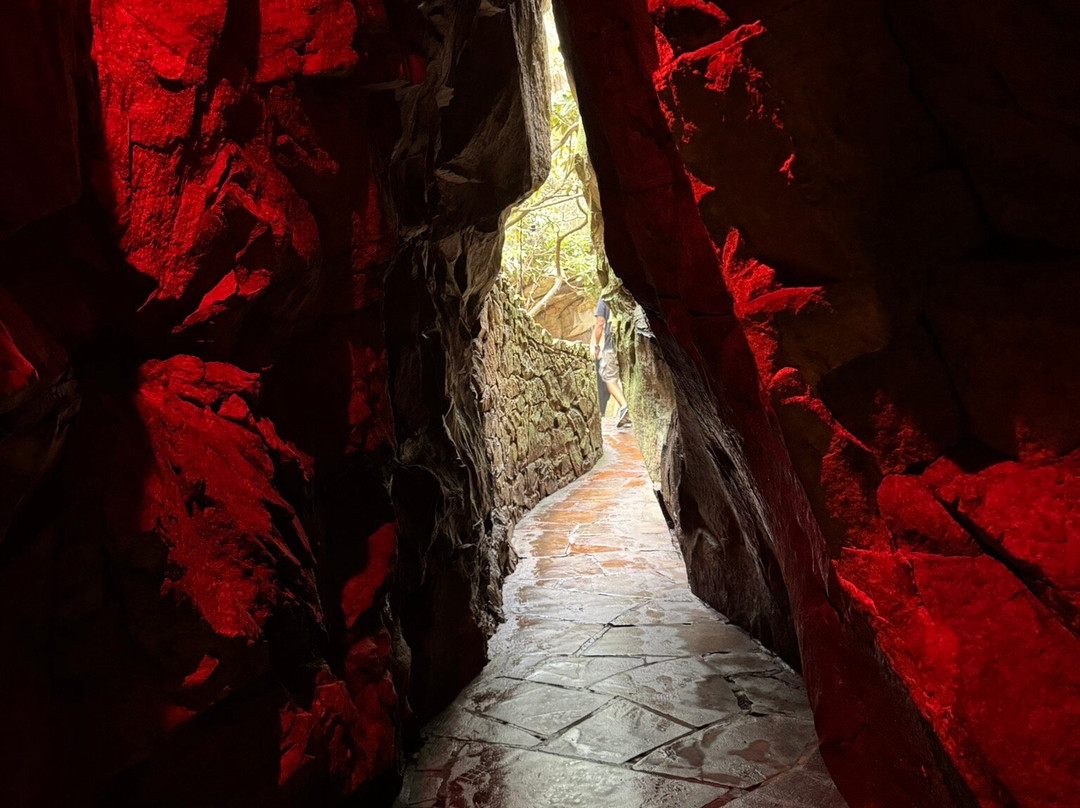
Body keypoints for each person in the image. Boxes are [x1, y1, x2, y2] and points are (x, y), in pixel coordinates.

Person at [592, 298, 632, 428]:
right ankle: (627, 418)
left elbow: (599, 324)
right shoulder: (623, 294)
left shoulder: (603, 299)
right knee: (627, 378)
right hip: (627, 345)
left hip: (610, 346)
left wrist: (596, 345)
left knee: (609, 378)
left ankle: (624, 406)